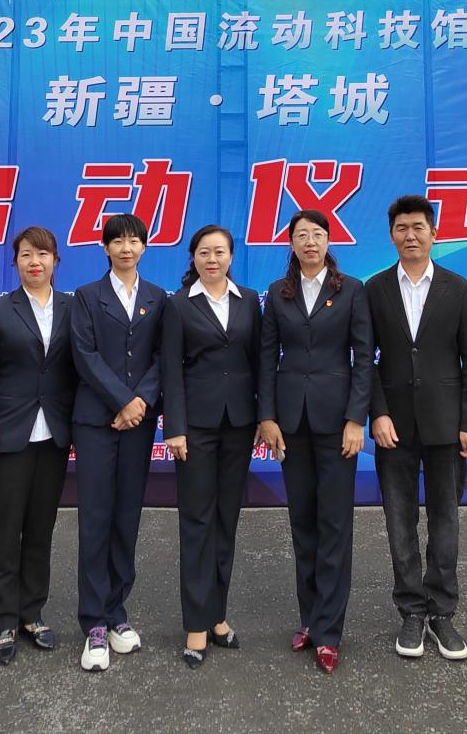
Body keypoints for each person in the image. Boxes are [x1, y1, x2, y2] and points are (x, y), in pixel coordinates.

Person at [365, 195, 467, 662]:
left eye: (418, 227)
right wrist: (377, 413)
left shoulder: (458, 287)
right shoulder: (375, 289)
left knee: (445, 519)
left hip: (446, 424)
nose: (410, 235)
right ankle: (411, 610)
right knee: (399, 521)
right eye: (402, 228)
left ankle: (442, 612)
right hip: (393, 425)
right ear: (391, 235)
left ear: (434, 233)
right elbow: (365, 359)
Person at [259, 209, 373, 674]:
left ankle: (329, 632)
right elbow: (266, 357)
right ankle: (309, 618)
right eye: (302, 235)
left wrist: (356, 418)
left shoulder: (351, 290)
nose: (310, 241)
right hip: (291, 421)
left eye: (318, 234)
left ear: (328, 241)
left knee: (334, 525)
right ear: (291, 243)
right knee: (302, 521)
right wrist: (267, 416)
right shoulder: (277, 292)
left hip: (336, 422)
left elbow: (364, 357)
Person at [0, 227, 77, 665]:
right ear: (15, 262)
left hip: (54, 435)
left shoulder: (73, 307)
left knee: (40, 528)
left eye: (43, 254)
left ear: (55, 261)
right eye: (26, 255)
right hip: (8, 436)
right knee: (4, 530)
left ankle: (32, 613)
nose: (35, 262)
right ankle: (2, 621)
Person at [162, 224, 261, 669]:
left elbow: (259, 362)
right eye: (204, 252)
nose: (212, 259)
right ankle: (196, 624)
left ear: (231, 256)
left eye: (220, 252)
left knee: (226, 520)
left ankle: (218, 615)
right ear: (194, 258)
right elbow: (170, 368)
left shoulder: (249, 301)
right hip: (196, 427)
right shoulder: (179, 304)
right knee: (197, 521)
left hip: (239, 423)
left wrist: (264, 417)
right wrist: (175, 427)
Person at [72, 213, 166, 672]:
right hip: (96, 421)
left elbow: (162, 357)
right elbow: (84, 355)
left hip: (138, 423)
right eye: (118, 241)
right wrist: (123, 400)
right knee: (95, 519)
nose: (126, 248)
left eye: (134, 241)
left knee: (127, 517)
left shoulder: (157, 297)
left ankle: (116, 613)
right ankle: (93, 621)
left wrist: (140, 401)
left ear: (144, 247)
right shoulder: (87, 296)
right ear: (105, 248)